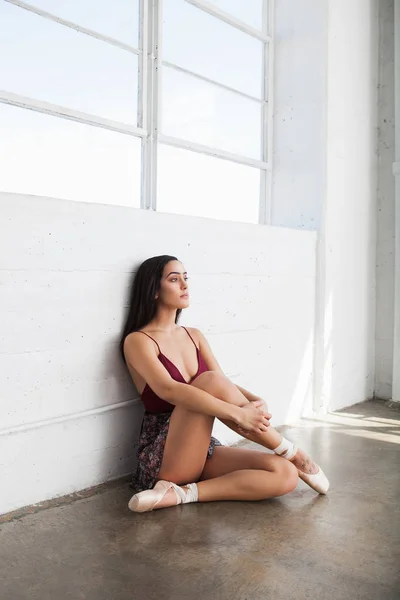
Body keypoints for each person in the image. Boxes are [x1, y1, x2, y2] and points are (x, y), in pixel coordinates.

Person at [120, 255, 329, 513]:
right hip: (164, 457)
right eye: (174, 279)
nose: (185, 285)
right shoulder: (138, 341)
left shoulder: (193, 335)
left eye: (186, 278)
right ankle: (292, 451)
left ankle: (182, 495)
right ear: (153, 290)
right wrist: (240, 413)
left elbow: (221, 382)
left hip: (201, 448)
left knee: (284, 474)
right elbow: (169, 389)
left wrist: (252, 399)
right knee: (206, 381)